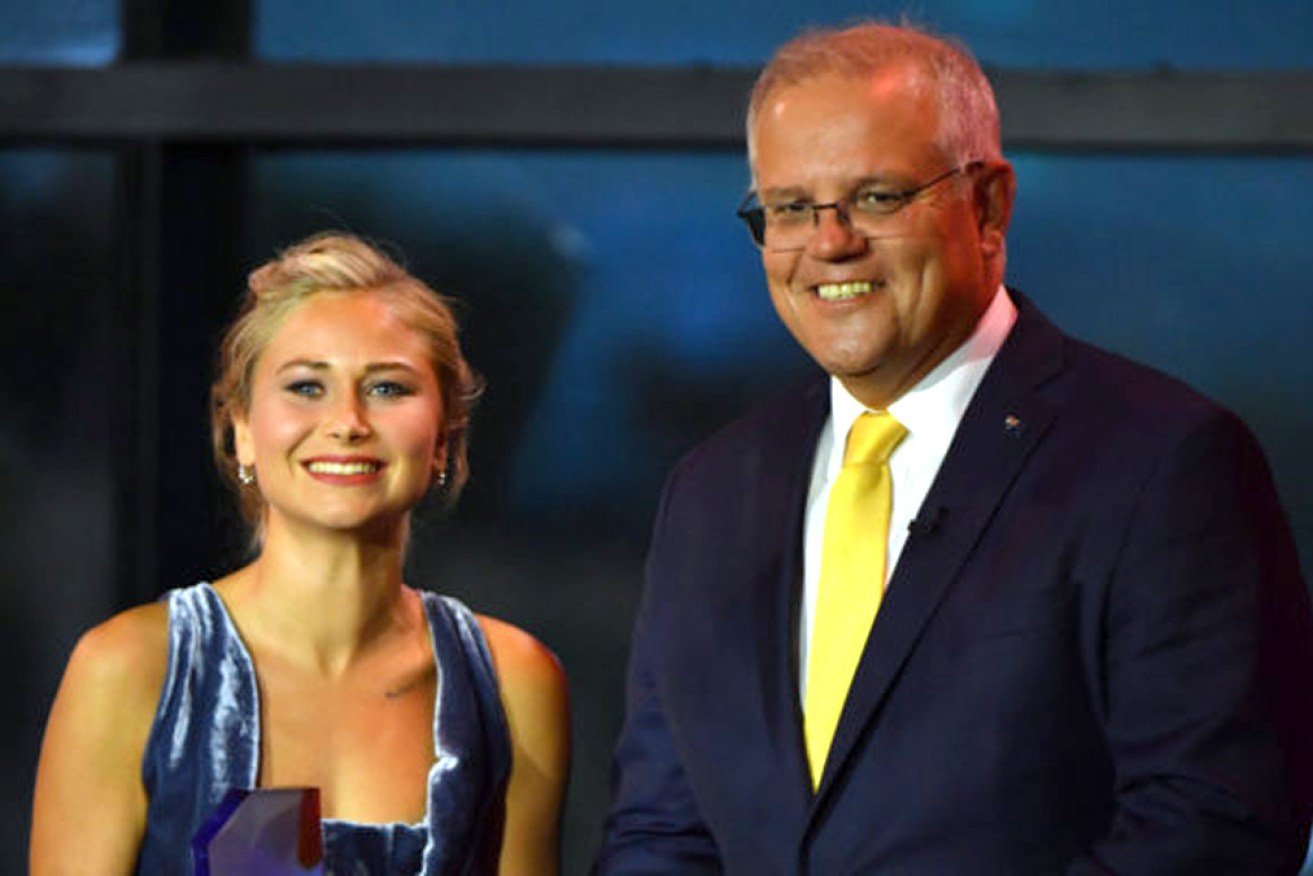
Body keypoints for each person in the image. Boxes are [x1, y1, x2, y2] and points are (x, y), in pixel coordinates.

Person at [595, 21, 1313, 874]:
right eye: (790, 208)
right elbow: (660, 832)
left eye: (876, 197)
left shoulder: (1161, 463)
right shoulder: (712, 489)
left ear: (988, 206)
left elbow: (1211, 826)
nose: (829, 243)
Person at [31, 232, 570, 874]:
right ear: (241, 432)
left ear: (445, 442)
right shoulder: (130, 670)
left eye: (389, 389)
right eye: (308, 387)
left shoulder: (513, 681)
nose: (347, 422)